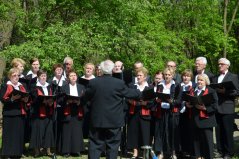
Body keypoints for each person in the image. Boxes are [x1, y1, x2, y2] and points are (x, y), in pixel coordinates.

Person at [84, 59, 141, 159]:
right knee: (112, 148)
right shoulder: (118, 83)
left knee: (94, 147)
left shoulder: (93, 82)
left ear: (101, 69)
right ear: (112, 70)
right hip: (113, 122)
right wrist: (141, 93)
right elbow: (130, 93)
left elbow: (85, 97)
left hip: (98, 120)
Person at [212, 58, 239, 159]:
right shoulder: (215, 78)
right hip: (216, 108)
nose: (219, 66)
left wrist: (225, 92)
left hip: (227, 107)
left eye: (222, 64)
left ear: (227, 65)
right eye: (218, 64)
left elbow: (237, 92)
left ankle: (229, 152)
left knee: (227, 131)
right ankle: (220, 151)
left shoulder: (233, 76)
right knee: (218, 132)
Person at [186, 74, 218, 159]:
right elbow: (189, 102)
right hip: (195, 120)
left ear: (206, 81)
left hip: (206, 121)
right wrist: (188, 105)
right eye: (198, 80)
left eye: (201, 80)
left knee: (207, 142)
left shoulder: (211, 91)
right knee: (196, 142)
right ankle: (198, 157)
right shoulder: (193, 91)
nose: (199, 82)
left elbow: (215, 106)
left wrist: (205, 108)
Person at [0, 68, 29, 158]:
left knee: (18, 135)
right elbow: (2, 99)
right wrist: (12, 99)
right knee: (9, 135)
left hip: (20, 113)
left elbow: (27, 97)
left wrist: (25, 99)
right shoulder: (6, 86)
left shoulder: (21, 86)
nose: (17, 77)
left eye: (18, 75)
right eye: (14, 75)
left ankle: (17, 153)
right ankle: (7, 154)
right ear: (10, 76)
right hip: (9, 113)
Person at [126, 67, 153, 159]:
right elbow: (127, 97)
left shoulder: (150, 87)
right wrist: (131, 101)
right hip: (133, 112)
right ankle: (135, 152)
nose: (138, 77)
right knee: (134, 132)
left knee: (145, 133)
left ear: (145, 77)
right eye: (137, 75)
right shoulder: (132, 86)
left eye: (140, 75)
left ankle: (145, 153)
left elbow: (153, 101)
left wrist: (146, 103)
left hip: (145, 112)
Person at [153, 67, 179, 159]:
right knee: (160, 132)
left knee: (172, 132)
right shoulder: (160, 85)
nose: (167, 76)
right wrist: (157, 99)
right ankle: (161, 152)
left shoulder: (176, 85)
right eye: (165, 75)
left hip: (172, 112)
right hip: (161, 111)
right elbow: (156, 98)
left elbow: (179, 100)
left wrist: (172, 101)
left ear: (172, 75)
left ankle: (173, 152)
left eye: (169, 75)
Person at [29, 69, 55, 157]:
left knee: (48, 131)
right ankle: (37, 151)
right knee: (37, 132)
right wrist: (43, 101)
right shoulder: (34, 86)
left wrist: (51, 102)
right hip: (38, 112)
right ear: (38, 77)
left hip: (48, 112)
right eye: (42, 76)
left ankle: (48, 151)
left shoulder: (49, 86)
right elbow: (34, 99)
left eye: (45, 76)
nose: (44, 77)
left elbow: (52, 97)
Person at [59, 70, 85, 157]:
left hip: (77, 111)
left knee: (77, 131)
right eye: (71, 76)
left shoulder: (81, 87)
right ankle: (66, 151)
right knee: (67, 131)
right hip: (68, 111)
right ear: (68, 78)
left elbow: (85, 100)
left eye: (74, 75)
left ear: (77, 77)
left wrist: (79, 103)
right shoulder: (64, 87)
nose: (73, 77)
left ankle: (76, 150)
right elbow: (60, 100)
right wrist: (66, 102)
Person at [174, 69, 195, 158]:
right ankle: (181, 150)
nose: (186, 77)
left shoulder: (194, 86)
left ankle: (189, 151)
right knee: (180, 131)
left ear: (191, 77)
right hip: (180, 111)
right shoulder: (178, 86)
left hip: (190, 111)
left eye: (188, 76)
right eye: (184, 76)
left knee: (190, 132)